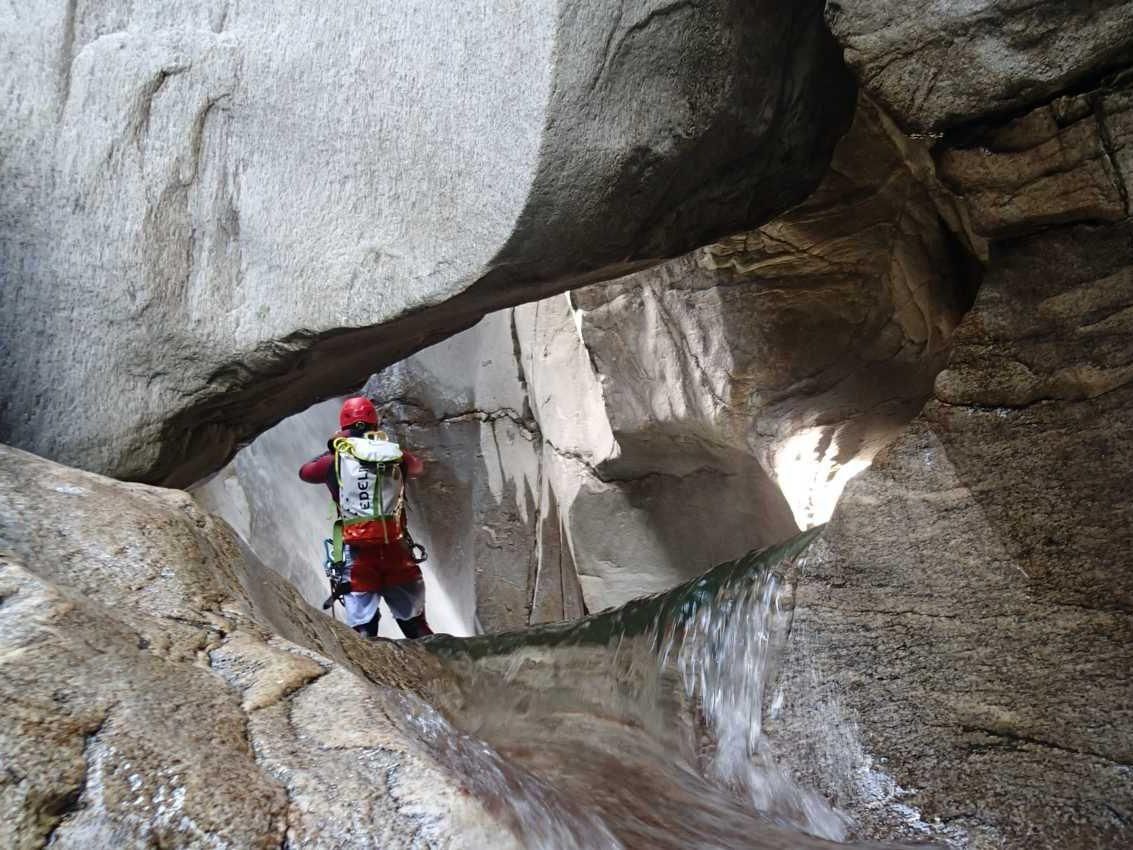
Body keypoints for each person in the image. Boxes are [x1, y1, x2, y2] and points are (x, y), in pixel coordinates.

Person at [299, 396, 433, 639]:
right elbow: (418, 467)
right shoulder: (394, 456)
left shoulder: (335, 460)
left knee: (364, 632)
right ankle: (447, 669)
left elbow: (305, 472)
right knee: (416, 626)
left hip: (357, 556)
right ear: (375, 424)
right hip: (396, 550)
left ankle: (371, 675)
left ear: (343, 426)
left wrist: (335, 443)